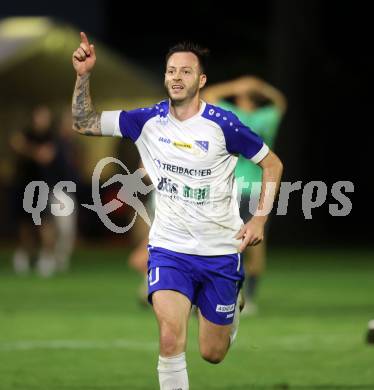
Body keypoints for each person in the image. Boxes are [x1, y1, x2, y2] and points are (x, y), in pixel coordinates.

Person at [72, 32, 283, 390]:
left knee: (212, 353)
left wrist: (260, 217)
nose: (177, 77)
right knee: (170, 341)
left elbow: (273, 164)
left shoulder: (224, 124)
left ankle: (231, 309)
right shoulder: (146, 120)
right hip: (170, 250)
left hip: (219, 251)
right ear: (164, 76)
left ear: (200, 81)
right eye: (171, 71)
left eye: (186, 72)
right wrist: (83, 75)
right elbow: (84, 122)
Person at [203, 76, 287, 314]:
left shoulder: (231, 115)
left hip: (229, 190)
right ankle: (249, 298)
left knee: (219, 243)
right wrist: (262, 87)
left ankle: (224, 293)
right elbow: (281, 103)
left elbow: (209, 95)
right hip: (257, 190)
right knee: (255, 246)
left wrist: (236, 85)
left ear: (240, 96)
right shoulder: (266, 118)